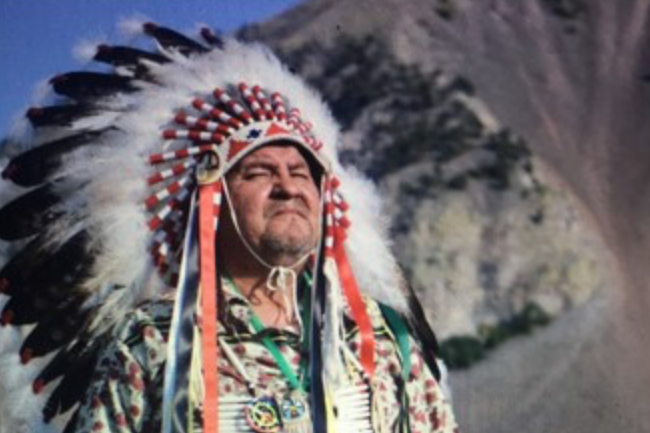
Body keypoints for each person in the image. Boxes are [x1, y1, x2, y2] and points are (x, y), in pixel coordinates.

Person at [0, 22, 458, 433]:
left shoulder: (380, 337)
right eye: (258, 172)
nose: (287, 187)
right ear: (212, 202)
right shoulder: (153, 343)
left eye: (302, 174)